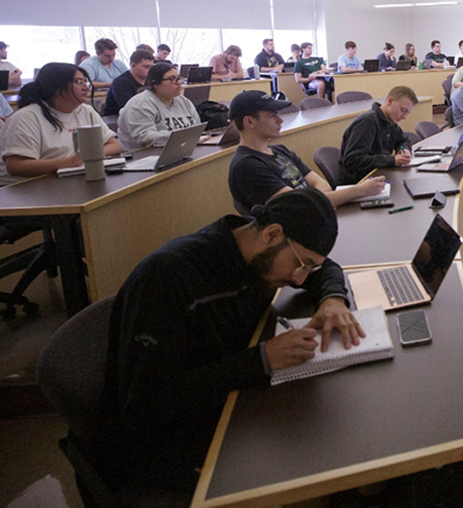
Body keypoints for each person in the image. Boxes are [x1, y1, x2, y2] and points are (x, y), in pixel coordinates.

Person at [104, 188, 359, 499]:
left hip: (233, 399)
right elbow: (145, 407)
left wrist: (334, 298)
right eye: (301, 264)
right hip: (174, 441)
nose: (300, 278)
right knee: (320, 458)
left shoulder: (256, 251)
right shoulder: (168, 278)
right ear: (272, 234)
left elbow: (325, 268)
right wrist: (262, 359)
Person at [227, 90, 385, 211]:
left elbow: (320, 183)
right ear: (249, 122)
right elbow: (300, 205)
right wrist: (359, 190)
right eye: (272, 115)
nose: (280, 119)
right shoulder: (247, 166)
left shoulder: (280, 151)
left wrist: (317, 200)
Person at [0, 63, 121, 187]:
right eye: (79, 82)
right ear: (56, 88)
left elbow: (114, 145)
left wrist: (89, 156)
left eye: (85, 81)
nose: (86, 87)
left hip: (63, 179)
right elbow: (16, 166)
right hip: (18, 189)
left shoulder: (85, 110)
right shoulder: (26, 117)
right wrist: (71, 162)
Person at [338, 85, 418, 185]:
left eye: (407, 113)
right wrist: (391, 160)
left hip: (377, 177)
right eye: (403, 110)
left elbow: (403, 140)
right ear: (390, 101)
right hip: (359, 183)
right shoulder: (367, 122)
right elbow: (352, 160)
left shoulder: (390, 121)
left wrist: (404, 149)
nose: (404, 117)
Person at [117, 63, 202, 150]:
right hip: (142, 156)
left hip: (176, 149)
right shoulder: (140, 104)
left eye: (179, 78)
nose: (179, 83)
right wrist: (182, 136)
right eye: (172, 79)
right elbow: (145, 138)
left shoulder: (183, 101)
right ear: (155, 83)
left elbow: (197, 128)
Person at [102, 49, 155, 117]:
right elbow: (129, 108)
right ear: (133, 66)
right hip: (116, 120)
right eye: (146, 67)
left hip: (143, 116)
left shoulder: (150, 81)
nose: (150, 70)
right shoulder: (120, 83)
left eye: (152, 67)